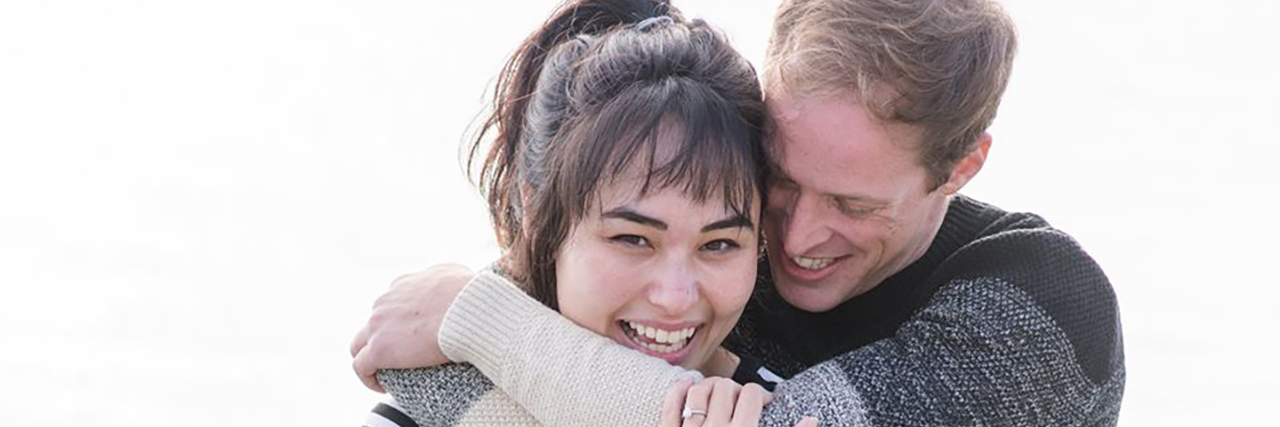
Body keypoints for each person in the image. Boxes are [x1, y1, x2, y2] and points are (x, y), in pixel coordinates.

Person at [352, 0, 1127, 425]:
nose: (790, 237)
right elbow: (416, 367)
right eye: (778, 181)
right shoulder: (714, 252)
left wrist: (480, 319)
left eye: (852, 204)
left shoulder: (1040, 304)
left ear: (964, 165)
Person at [356, 1, 819, 426]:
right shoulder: (421, 413)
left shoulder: (801, 403)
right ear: (537, 210)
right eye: (633, 239)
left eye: (718, 244)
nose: (675, 298)